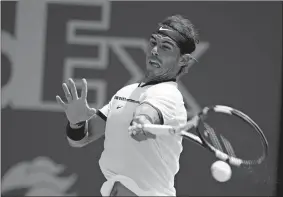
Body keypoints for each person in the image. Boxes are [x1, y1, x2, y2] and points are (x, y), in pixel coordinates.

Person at [56, 14, 199, 196]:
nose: (155, 50)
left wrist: (141, 122)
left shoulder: (168, 94)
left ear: (183, 60)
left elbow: (147, 112)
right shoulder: (126, 93)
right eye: (153, 42)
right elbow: (80, 140)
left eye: (165, 47)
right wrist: (76, 123)